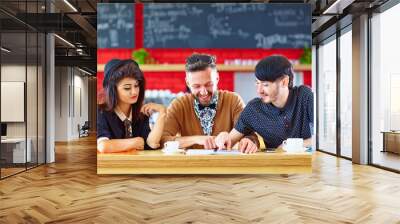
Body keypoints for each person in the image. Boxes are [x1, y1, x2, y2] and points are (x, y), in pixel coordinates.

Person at [161, 53, 258, 152]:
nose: (204, 92)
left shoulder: (233, 100)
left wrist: (249, 141)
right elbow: (163, 140)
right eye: (196, 86)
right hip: (191, 166)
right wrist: (197, 139)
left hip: (226, 165)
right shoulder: (179, 105)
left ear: (217, 78)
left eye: (209, 84)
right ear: (188, 83)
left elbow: (251, 135)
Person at [215, 55, 314, 153]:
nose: (259, 90)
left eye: (265, 84)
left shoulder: (304, 96)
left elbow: (323, 139)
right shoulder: (254, 110)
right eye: (257, 83)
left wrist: (287, 146)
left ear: (284, 81)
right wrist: (224, 137)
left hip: (307, 163)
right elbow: (229, 141)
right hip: (274, 166)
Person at [97, 59, 166, 153]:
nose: (134, 92)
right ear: (113, 90)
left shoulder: (140, 114)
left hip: (135, 166)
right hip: (110, 166)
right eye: (127, 88)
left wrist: (162, 112)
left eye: (136, 86)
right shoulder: (101, 112)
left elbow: (151, 144)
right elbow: (103, 146)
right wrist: (135, 142)